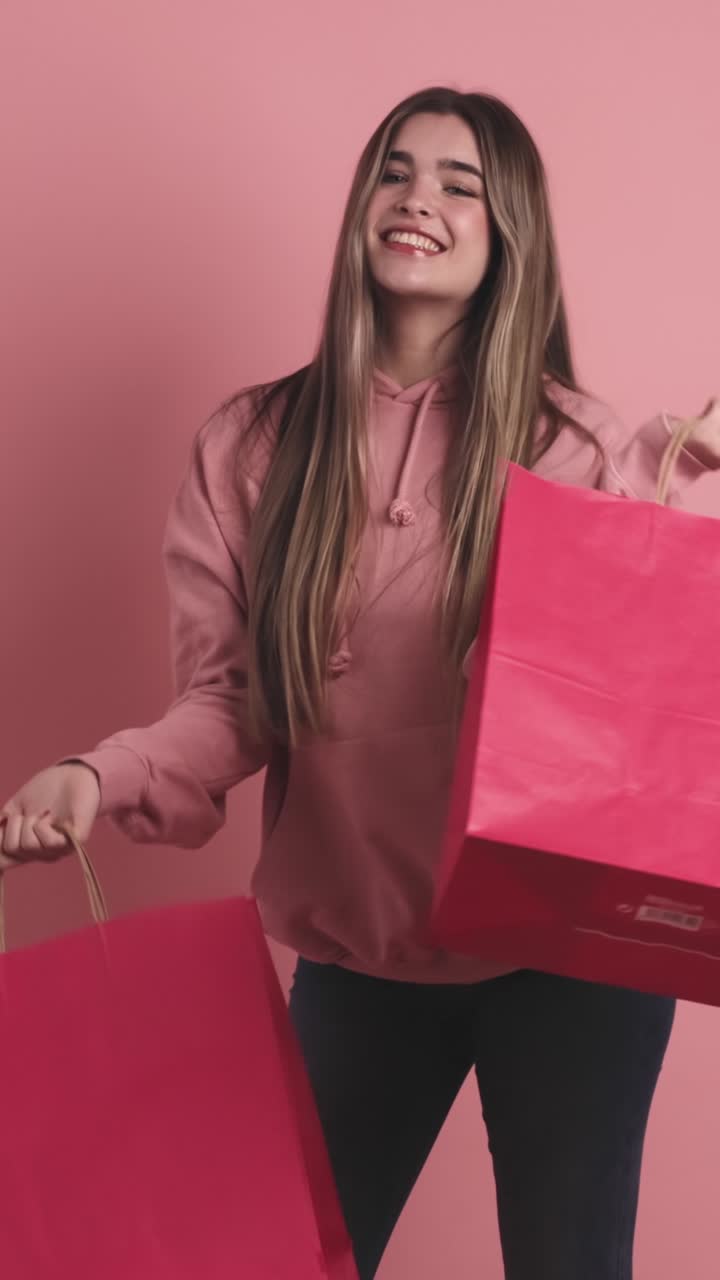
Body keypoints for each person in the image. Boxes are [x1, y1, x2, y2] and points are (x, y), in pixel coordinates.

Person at [2, 86, 720, 1280]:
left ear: (510, 238)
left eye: (459, 181)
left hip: (566, 959)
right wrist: (97, 772)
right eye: (395, 169)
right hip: (363, 951)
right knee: (288, 1257)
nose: (417, 199)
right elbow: (229, 699)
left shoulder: (576, 448)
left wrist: (641, 511)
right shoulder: (249, 446)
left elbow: (607, 718)